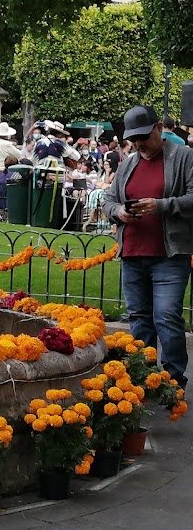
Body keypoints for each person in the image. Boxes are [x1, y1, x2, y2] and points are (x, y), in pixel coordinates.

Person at [103, 105, 193, 388]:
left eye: (144, 136)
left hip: (169, 254)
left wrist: (161, 206)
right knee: (140, 320)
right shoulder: (129, 162)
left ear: (158, 128)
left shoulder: (184, 157)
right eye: (134, 139)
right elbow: (108, 200)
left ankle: (173, 379)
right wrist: (119, 212)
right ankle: (143, 377)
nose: (140, 144)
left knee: (166, 316)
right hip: (133, 253)